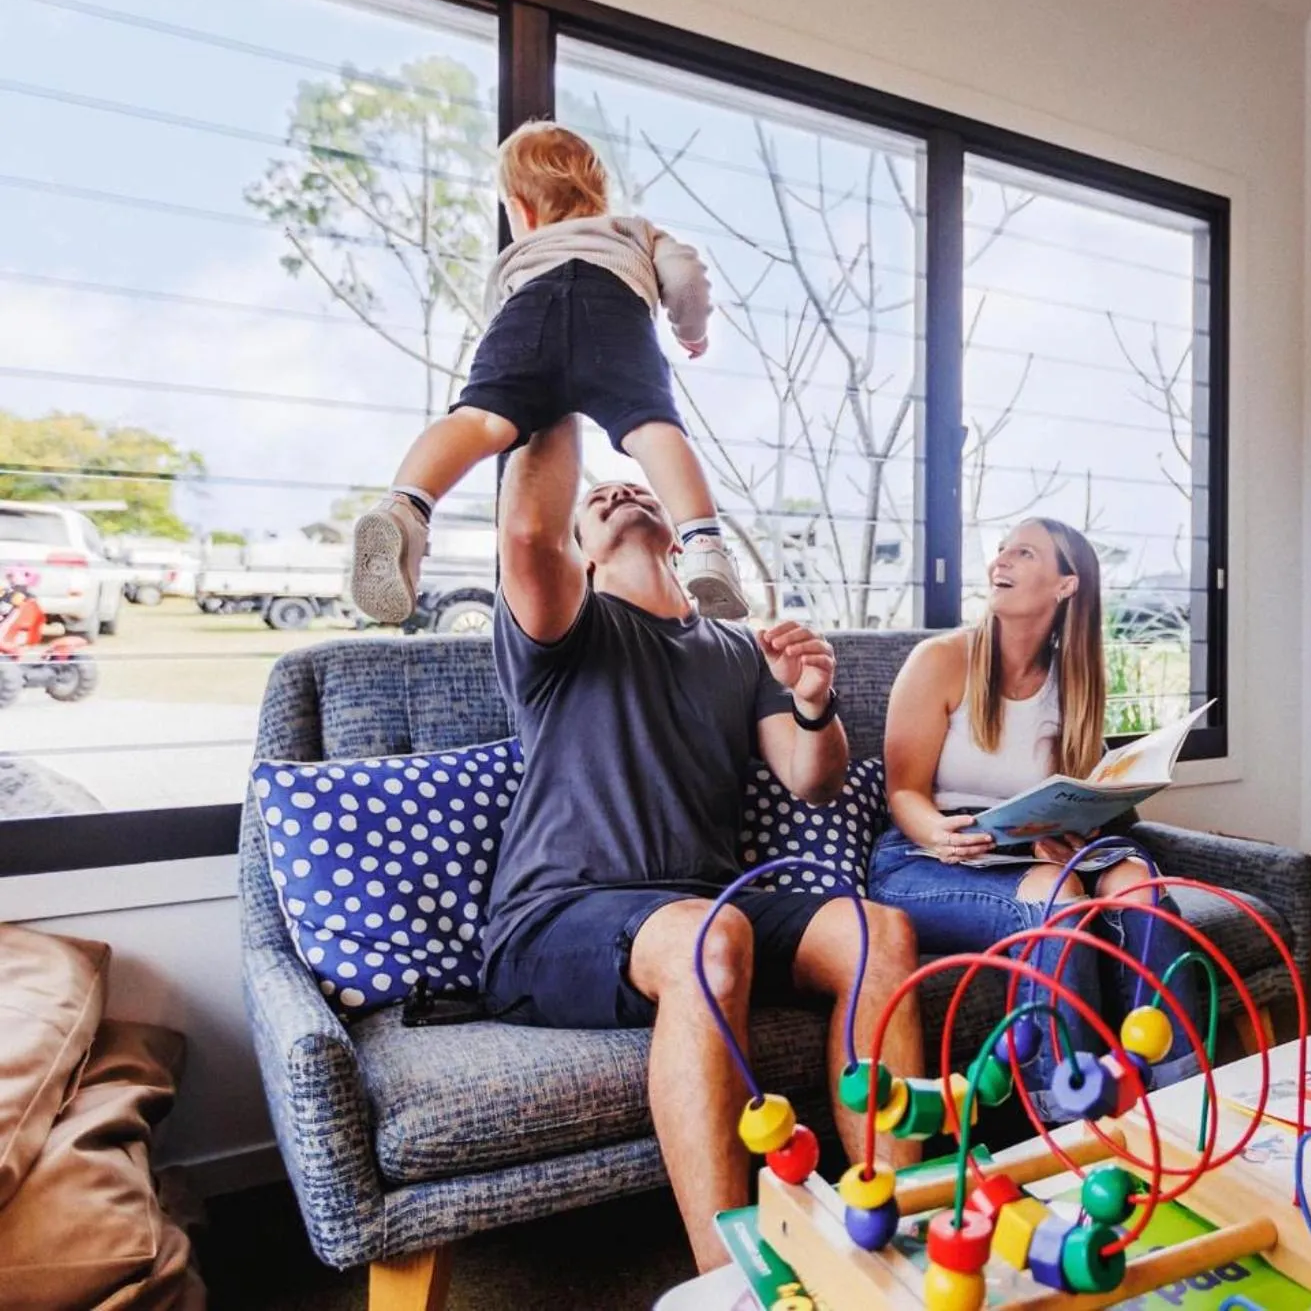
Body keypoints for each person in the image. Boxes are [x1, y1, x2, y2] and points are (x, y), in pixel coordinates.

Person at [478, 416, 922, 1269]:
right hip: (557, 913)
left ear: (685, 537)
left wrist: (815, 701)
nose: (617, 489)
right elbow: (529, 530)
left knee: (878, 932)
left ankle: (888, 1236)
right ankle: (730, 1282)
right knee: (714, 939)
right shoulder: (568, 631)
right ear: (582, 556)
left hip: (706, 902)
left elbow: (813, 778)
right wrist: (565, 385)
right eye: (596, 499)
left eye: (635, 485)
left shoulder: (737, 649)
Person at [349, 119, 749, 627]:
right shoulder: (634, 231)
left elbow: (499, 318)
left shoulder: (516, 255)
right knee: (652, 431)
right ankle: (703, 545)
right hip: (614, 316)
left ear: (520, 210)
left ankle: (406, 506)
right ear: (598, 194)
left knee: (480, 422)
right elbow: (687, 276)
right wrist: (691, 329)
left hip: (529, 312)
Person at [867, 518, 1198, 1117]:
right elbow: (904, 792)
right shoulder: (940, 661)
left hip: (1030, 846)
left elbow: (1074, 792)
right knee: (1057, 896)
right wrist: (936, 833)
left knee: (1140, 889)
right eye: (1000, 551)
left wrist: (1076, 828)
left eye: (1023, 552)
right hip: (930, 855)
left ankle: (1178, 1098)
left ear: (1066, 585)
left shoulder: (1075, 680)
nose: (1001, 561)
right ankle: (1069, 1113)